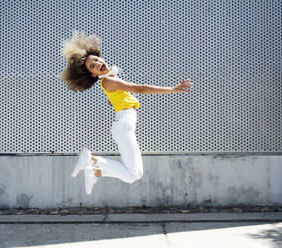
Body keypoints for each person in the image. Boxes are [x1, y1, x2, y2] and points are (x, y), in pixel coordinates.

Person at [59, 30, 192, 194]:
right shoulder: (110, 81)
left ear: (100, 56)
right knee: (133, 174)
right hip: (123, 126)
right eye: (93, 66)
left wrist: (115, 99)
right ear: (93, 74)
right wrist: (172, 89)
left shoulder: (108, 79)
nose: (98, 64)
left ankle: (96, 171)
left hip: (123, 126)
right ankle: (92, 160)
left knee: (134, 174)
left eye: (96, 60)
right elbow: (140, 89)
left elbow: (116, 96)